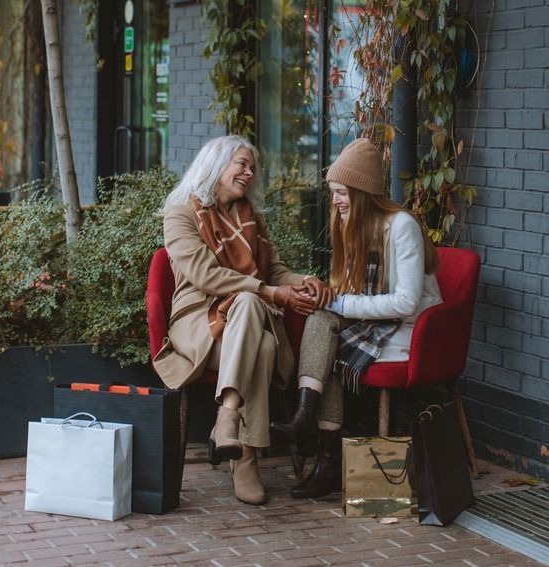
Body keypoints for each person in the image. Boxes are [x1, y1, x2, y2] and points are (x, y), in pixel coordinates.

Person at [153, 135, 333, 505]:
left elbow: (276, 271)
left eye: (252, 167)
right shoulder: (180, 213)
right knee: (260, 331)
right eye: (241, 164)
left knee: (256, 323)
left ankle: (229, 417)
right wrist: (267, 292)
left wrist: (305, 281)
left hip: (243, 325)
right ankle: (248, 457)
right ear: (216, 165)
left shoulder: (252, 218)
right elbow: (206, 276)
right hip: (198, 321)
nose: (249, 172)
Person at [270, 137, 443, 499]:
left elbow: (407, 302)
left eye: (342, 193)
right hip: (375, 323)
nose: (334, 201)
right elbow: (351, 291)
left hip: (411, 331)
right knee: (321, 321)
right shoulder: (354, 225)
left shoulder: (401, 227)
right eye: (333, 192)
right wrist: (325, 295)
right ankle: (312, 429)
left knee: (329, 342)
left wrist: (342, 305)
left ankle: (322, 449)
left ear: (363, 192)